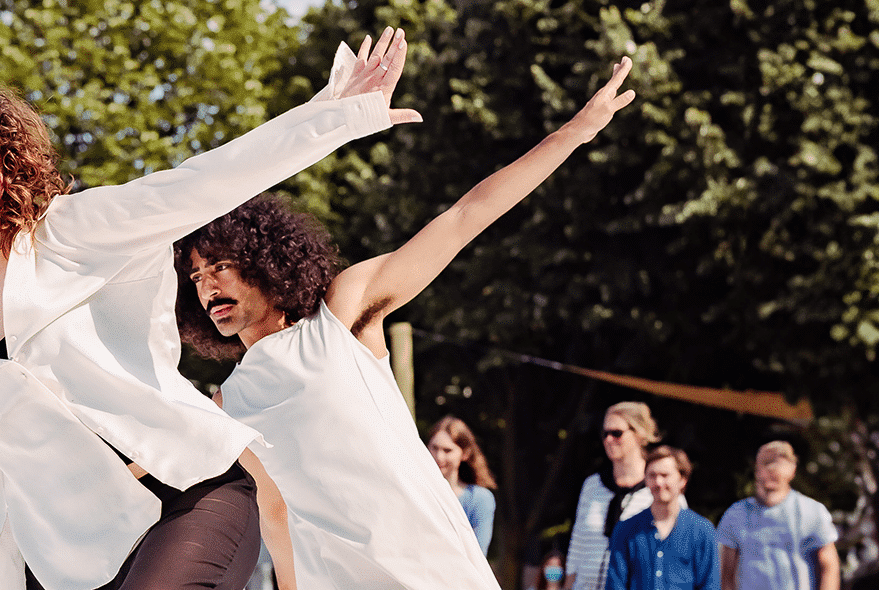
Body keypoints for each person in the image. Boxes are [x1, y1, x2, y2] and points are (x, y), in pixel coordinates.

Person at [0, 26, 421, 589]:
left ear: (6, 176)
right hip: (72, 557)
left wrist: (334, 114)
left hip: (185, 498)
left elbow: (194, 186)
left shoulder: (64, 238)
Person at [175, 57, 637, 589]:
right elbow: (277, 519)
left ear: (265, 260)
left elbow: (464, 218)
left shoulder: (339, 317)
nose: (208, 285)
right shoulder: (227, 406)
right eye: (196, 276)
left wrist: (571, 135)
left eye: (221, 266)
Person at [565, 401, 665, 590]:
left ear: (639, 434)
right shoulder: (592, 485)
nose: (609, 439)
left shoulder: (660, 487)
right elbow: (577, 547)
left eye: (617, 433)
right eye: (605, 434)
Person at [716, 441, 840, 590]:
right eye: (767, 462)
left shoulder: (812, 511)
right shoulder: (736, 515)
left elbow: (830, 568)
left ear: (792, 470)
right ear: (756, 469)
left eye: (779, 463)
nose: (772, 469)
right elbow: (725, 576)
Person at [606, 446, 718, 590]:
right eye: (652, 475)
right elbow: (615, 585)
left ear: (682, 480)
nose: (658, 482)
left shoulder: (702, 531)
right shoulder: (625, 530)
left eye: (665, 475)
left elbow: (710, 585)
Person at [428, 415, 498, 555]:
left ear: (465, 454)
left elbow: (477, 553)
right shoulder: (418, 490)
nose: (439, 457)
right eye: (434, 448)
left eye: (447, 450)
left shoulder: (479, 499)